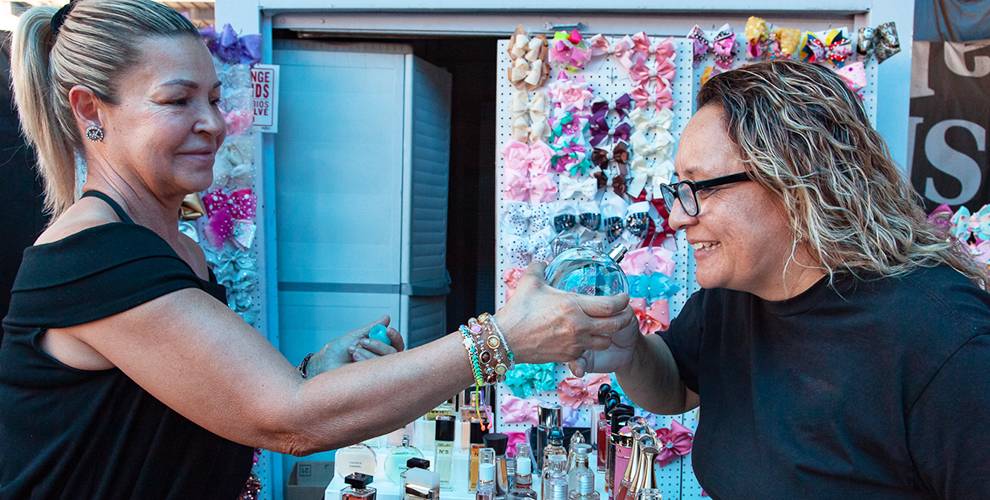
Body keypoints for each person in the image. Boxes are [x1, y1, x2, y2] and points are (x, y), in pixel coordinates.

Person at [0, 1, 637, 498]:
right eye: (177, 100)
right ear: (90, 111)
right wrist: (501, 339)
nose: (213, 123)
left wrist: (312, 373)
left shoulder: (172, 244)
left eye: (216, 99)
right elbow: (287, 421)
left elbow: (199, 401)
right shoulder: (97, 252)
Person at [572, 60, 990, 499]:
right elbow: (677, 385)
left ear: (796, 181)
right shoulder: (734, 294)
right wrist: (630, 350)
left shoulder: (948, 342)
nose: (677, 217)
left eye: (702, 187)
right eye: (679, 188)